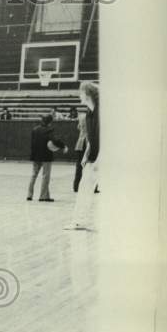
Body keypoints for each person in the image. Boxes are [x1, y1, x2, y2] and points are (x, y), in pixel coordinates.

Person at [65, 81, 99, 230]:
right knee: (84, 187)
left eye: (80, 92)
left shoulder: (102, 112)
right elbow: (91, 138)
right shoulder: (89, 113)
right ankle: (79, 221)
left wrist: (99, 159)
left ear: (87, 94)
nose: (79, 95)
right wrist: (86, 154)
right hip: (94, 157)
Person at [26, 113, 67, 201]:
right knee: (45, 176)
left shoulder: (35, 129)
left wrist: (33, 156)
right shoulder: (49, 130)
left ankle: (29, 195)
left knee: (33, 175)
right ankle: (43, 196)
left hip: (36, 156)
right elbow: (55, 140)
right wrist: (63, 146)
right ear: (50, 122)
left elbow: (32, 144)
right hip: (46, 156)